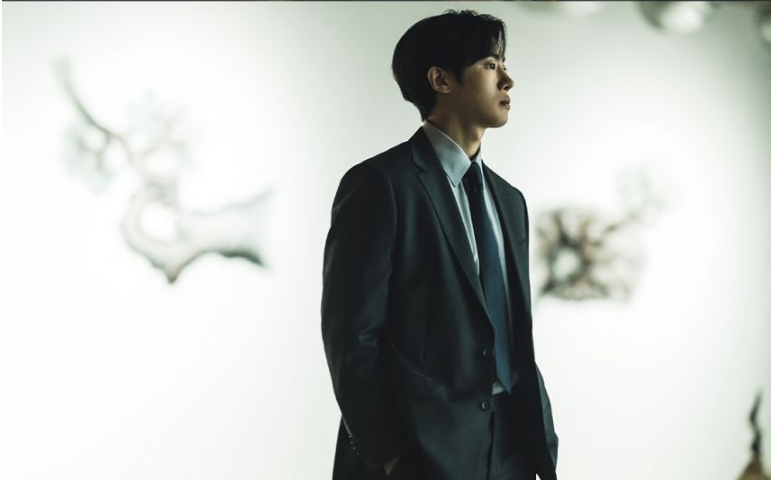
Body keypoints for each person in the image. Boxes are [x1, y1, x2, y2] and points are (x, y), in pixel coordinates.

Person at [321, 9, 558, 480]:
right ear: (441, 79)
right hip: (420, 450)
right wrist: (390, 456)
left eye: (504, 64)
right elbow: (352, 338)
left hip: (514, 447)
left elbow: (512, 333)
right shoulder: (380, 185)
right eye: (490, 65)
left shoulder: (510, 201)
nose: (507, 79)